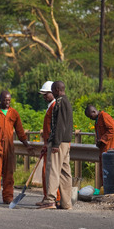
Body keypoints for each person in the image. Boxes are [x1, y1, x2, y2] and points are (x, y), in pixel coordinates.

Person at [0, 91, 35, 205]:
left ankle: (8, 198)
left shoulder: (14, 113)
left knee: (9, 173)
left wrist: (27, 145)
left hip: (9, 148)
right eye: (5, 100)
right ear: (0, 99)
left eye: (9, 100)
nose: (7, 102)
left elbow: (20, 131)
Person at [39, 81, 73, 210]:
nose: (52, 92)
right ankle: (66, 203)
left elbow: (59, 125)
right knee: (65, 173)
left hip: (58, 142)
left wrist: (55, 143)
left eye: (53, 90)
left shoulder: (59, 102)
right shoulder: (66, 102)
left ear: (58, 89)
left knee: (52, 171)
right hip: (66, 142)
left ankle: (50, 200)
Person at [37, 81, 61, 206]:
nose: (44, 97)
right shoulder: (50, 106)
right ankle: (47, 197)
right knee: (46, 172)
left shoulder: (55, 106)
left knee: (51, 172)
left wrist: (49, 143)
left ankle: (53, 197)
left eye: (46, 94)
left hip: (52, 145)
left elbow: (54, 128)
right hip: (48, 144)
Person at [85, 105, 114, 190]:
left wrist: (102, 140)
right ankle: (105, 189)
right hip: (103, 148)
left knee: (108, 169)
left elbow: (112, 129)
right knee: (103, 170)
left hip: (109, 147)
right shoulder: (97, 120)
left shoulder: (104, 116)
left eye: (90, 116)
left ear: (94, 112)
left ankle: (110, 190)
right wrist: (98, 141)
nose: (90, 118)